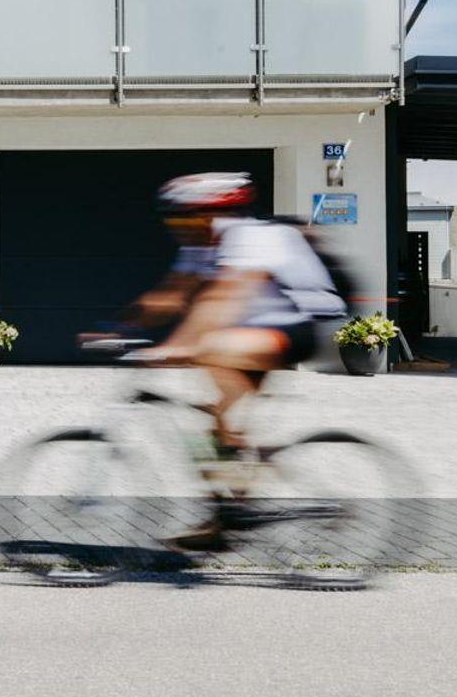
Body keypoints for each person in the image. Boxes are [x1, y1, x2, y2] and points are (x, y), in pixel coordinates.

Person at [126, 172, 346, 550]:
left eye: (184, 219)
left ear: (208, 214)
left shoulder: (250, 237)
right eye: (174, 220)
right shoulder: (201, 248)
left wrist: (175, 347)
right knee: (215, 431)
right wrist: (118, 327)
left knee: (210, 349)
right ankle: (225, 520)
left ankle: (240, 464)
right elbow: (172, 296)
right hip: (257, 332)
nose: (177, 228)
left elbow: (225, 298)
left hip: (301, 326)